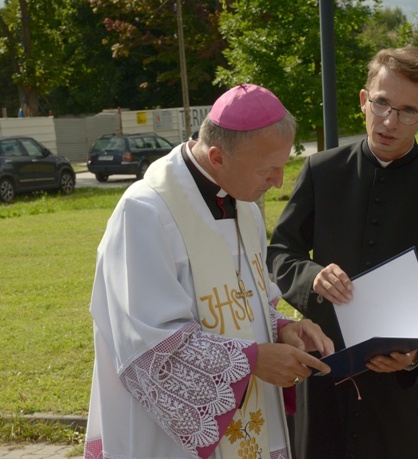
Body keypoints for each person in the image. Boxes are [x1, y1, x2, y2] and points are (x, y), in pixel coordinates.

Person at [83, 84, 334, 459]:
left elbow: (245, 301)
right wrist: (252, 360)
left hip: (250, 423)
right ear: (217, 156)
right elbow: (149, 343)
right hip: (169, 440)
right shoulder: (146, 213)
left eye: (284, 165)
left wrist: (283, 328)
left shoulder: (243, 203)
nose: (279, 181)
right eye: (268, 169)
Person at [267, 46, 418, 458]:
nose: (389, 121)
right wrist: (313, 277)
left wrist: (415, 355)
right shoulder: (320, 171)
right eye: (381, 103)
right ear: (364, 100)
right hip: (325, 370)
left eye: (407, 111)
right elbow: (280, 252)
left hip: (404, 392)